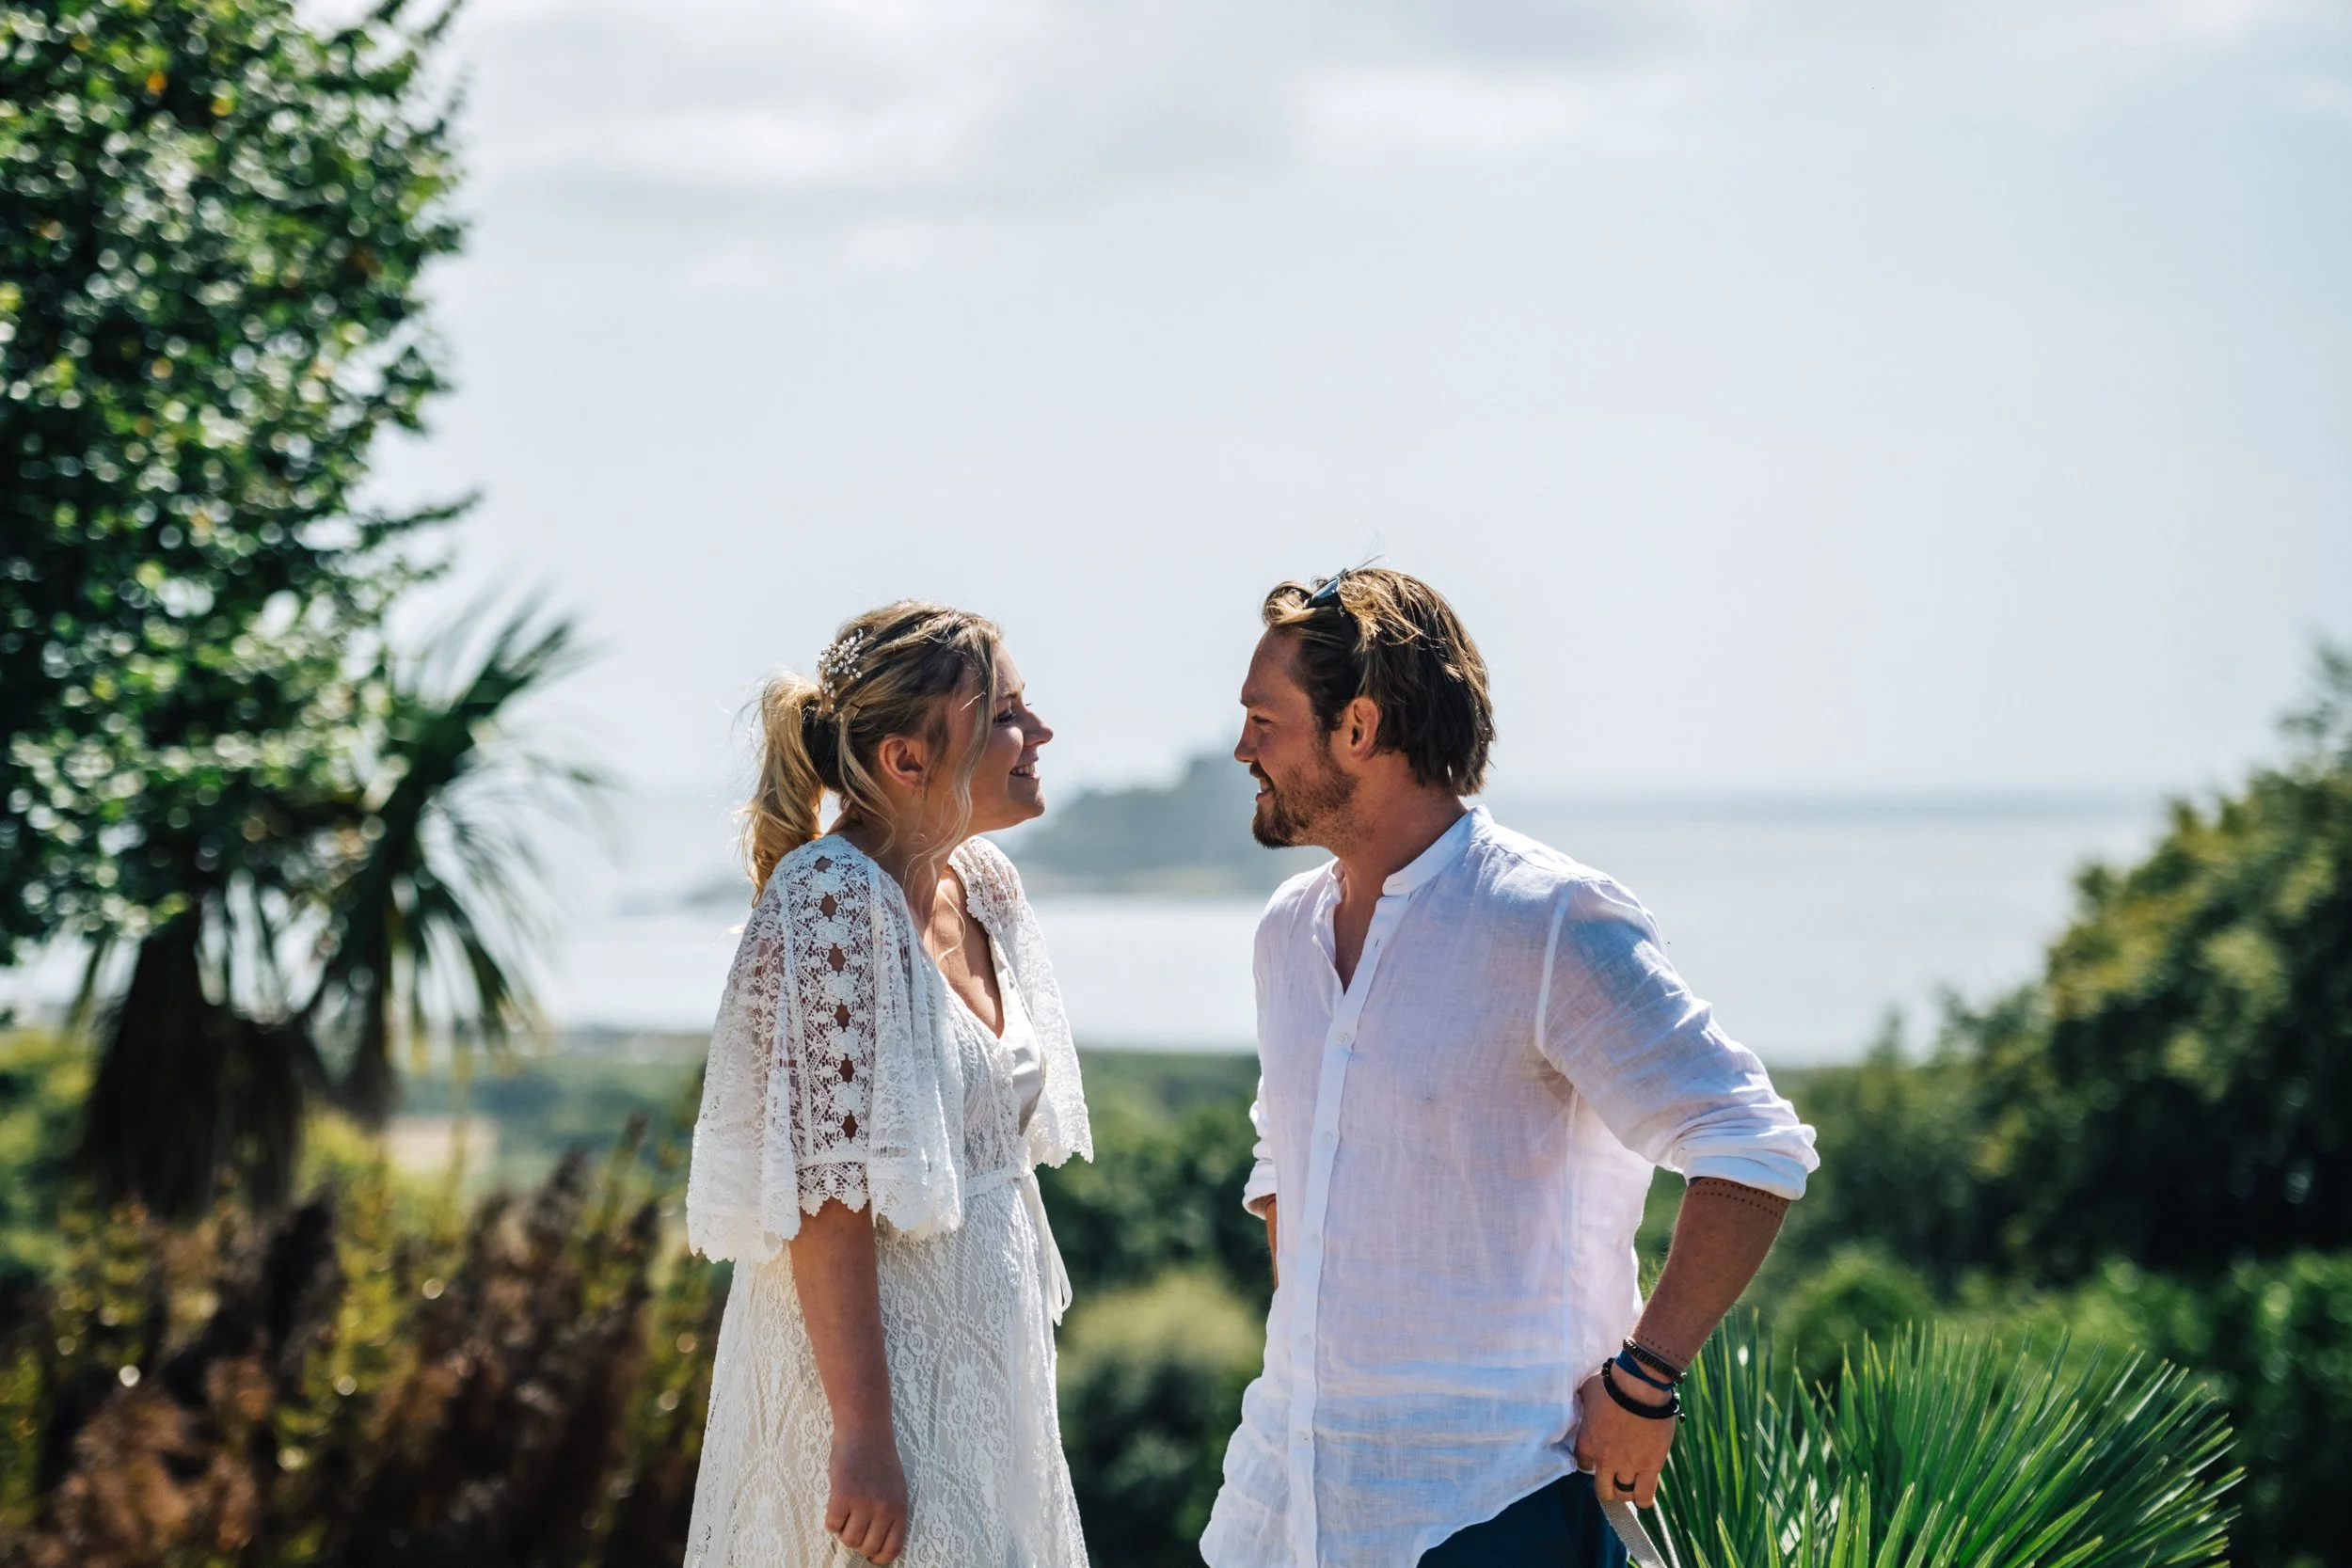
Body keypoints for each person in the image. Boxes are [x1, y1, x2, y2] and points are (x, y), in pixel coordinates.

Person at [1202, 568, 1820, 1568]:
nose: (1241, 748)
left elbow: (1750, 1146)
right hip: (1284, 1505)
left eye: (1262, 720)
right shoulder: (1286, 933)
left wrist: (1644, 1381)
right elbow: (1287, 1176)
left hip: (1493, 1508)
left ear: (1357, 727)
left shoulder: (1544, 920)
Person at [681, 602, 1092, 1568]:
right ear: (909, 758)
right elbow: (828, 1191)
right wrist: (864, 1433)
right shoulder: (829, 900)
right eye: (1007, 715)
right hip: (875, 1383)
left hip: (987, 1364)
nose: (1038, 735)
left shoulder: (982, 882)